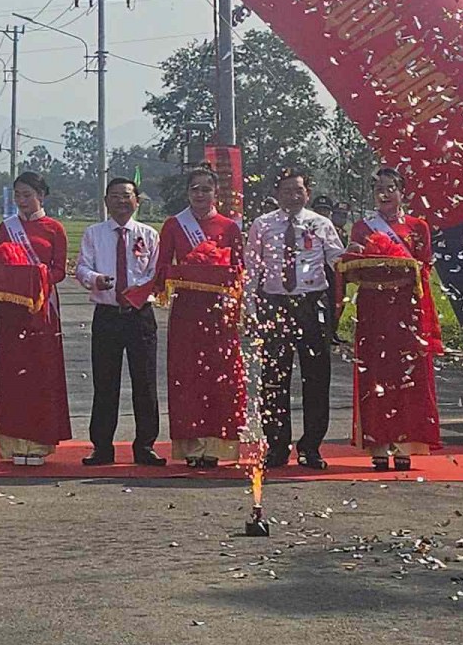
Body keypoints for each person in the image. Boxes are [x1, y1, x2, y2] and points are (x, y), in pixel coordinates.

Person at [343, 166, 443, 470]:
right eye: (378, 189)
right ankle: (378, 442)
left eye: (390, 188)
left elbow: (423, 267)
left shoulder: (418, 227)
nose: (384, 194)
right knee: (376, 373)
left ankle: (405, 444)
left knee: (409, 374)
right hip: (374, 308)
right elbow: (353, 266)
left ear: (402, 193)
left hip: (406, 307)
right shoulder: (362, 227)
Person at [246, 168, 344, 470]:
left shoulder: (321, 223)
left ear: (307, 193)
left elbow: (338, 261)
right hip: (275, 303)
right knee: (274, 377)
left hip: (311, 302)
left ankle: (311, 446)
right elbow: (251, 270)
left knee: (316, 376)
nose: (292, 195)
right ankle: (276, 445)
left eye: (298, 190)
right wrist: (248, 309)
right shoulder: (262, 225)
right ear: (277, 194)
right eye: (286, 190)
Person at [150, 166, 246, 467]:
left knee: (219, 375)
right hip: (186, 312)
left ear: (216, 193)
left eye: (206, 188)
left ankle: (217, 446)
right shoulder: (174, 226)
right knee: (188, 376)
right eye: (195, 189)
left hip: (219, 312)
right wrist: (184, 273)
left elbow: (239, 270)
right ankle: (191, 446)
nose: (201, 194)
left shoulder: (229, 227)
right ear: (187, 192)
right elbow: (162, 268)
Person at [74, 178, 164, 467]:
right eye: (114, 196)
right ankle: (101, 447)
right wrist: (94, 279)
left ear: (137, 201)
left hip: (140, 317)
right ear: (106, 201)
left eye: (126, 196)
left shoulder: (149, 234)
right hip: (107, 315)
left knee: (145, 382)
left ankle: (146, 446)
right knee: (105, 382)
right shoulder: (94, 233)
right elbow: (82, 267)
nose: (121, 201)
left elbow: (155, 272)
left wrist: (141, 291)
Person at [0, 172, 71, 466]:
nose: (22, 201)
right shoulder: (6, 228)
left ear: (41, 195)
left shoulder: (54, 229)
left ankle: (38, 443)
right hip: (12, 308)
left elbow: (60, 270)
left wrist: (37, 279)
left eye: (28, 195)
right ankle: (13, 443)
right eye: (18, 195)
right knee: (13, 372)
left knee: (41, 371)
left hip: (42, 307)